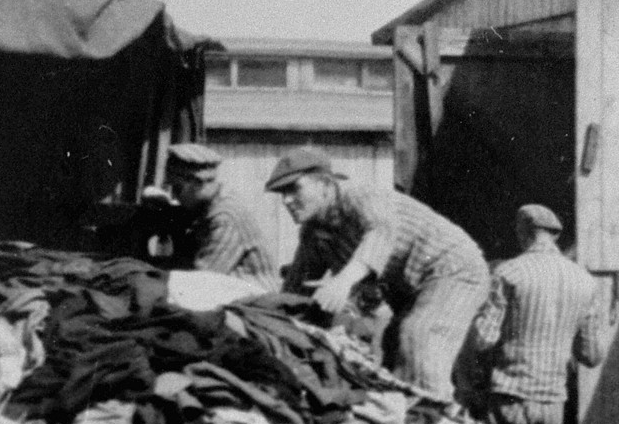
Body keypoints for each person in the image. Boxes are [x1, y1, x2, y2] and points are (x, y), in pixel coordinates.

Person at [269, 146, 489, 401]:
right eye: (281, 193)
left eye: (294, 189)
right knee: (391, 354)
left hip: (454, 269)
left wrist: (343, 281)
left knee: (420, 337)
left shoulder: (360, 196)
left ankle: (433, 415)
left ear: (325, 185)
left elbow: (381, 232)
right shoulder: (313, 233)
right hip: (412, 289)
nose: (286, 200)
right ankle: (408, 415)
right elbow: (295, 292)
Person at [471, 203, 611, 424]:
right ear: (554, 236)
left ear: (523, 232)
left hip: (509, 396)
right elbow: (591, 356)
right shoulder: (585, 281)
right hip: (552, 404)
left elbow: (482, 340)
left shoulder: (509, 272)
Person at [146, 143, 280, 290]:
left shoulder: (225, 217)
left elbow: (202, 281)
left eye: (177, 189)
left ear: (198, 183)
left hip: (255, 300)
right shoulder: (208, 207)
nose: (174, 197)